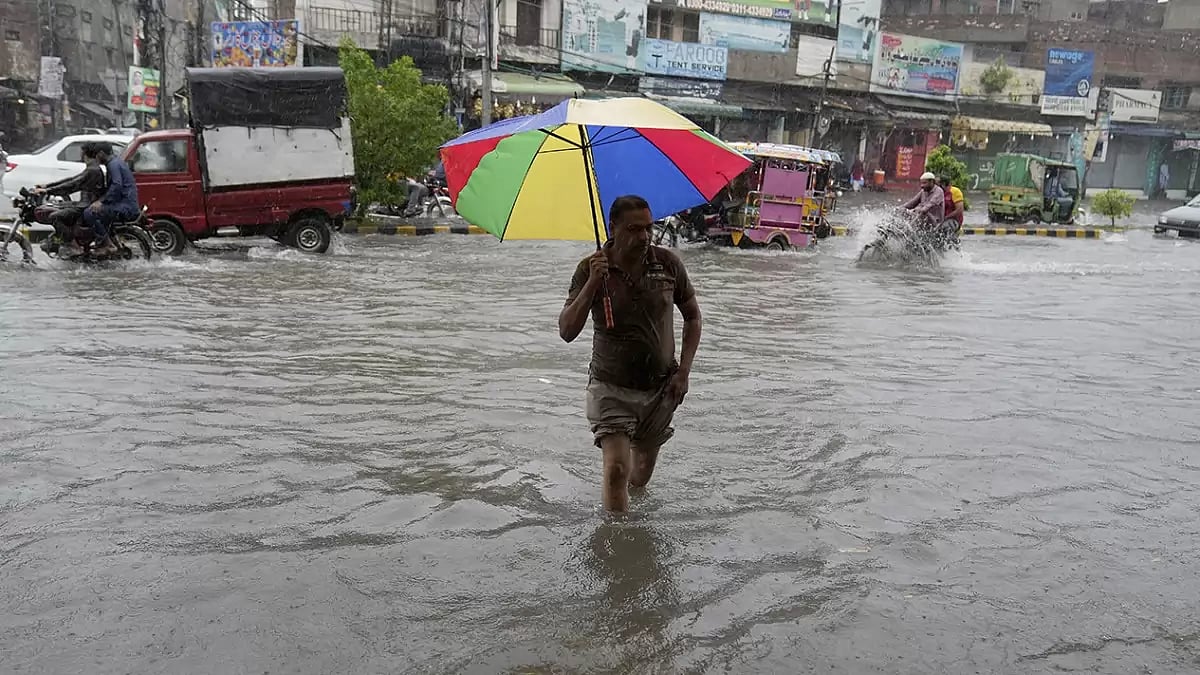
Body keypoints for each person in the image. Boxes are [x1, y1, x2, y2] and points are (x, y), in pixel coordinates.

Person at [559, 195, 702, 514]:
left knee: (640, 475)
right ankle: (615, 550)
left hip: (661, 388)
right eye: (634, 229)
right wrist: (594, 282)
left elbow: (693, 316)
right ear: (613, 229)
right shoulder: (589, 269)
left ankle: (633, 528)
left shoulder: (667, 264)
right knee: (617, 471)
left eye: (648, 228)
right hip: (610, 388)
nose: (644, 237)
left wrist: (684, 373)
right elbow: (567, 331)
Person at [36, 141, 108, 257]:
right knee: (57, 207)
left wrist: (49, 191)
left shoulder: (92, 170)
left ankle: (72, 245)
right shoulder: (91, 168)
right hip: (84, 203)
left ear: (84, 153)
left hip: (86, 205)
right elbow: (71, 179)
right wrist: (47, 186)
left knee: (55, 216)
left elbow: (74, 184)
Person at [84, 142, 139, 256]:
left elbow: (117, 185)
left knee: (90, 213)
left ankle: (106, 244)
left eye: (97, 155)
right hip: (126, 204)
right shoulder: (117, 162)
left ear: (101, 153)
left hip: (125, 206)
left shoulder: (113, 165)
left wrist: (101, 201)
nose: (96, 158)